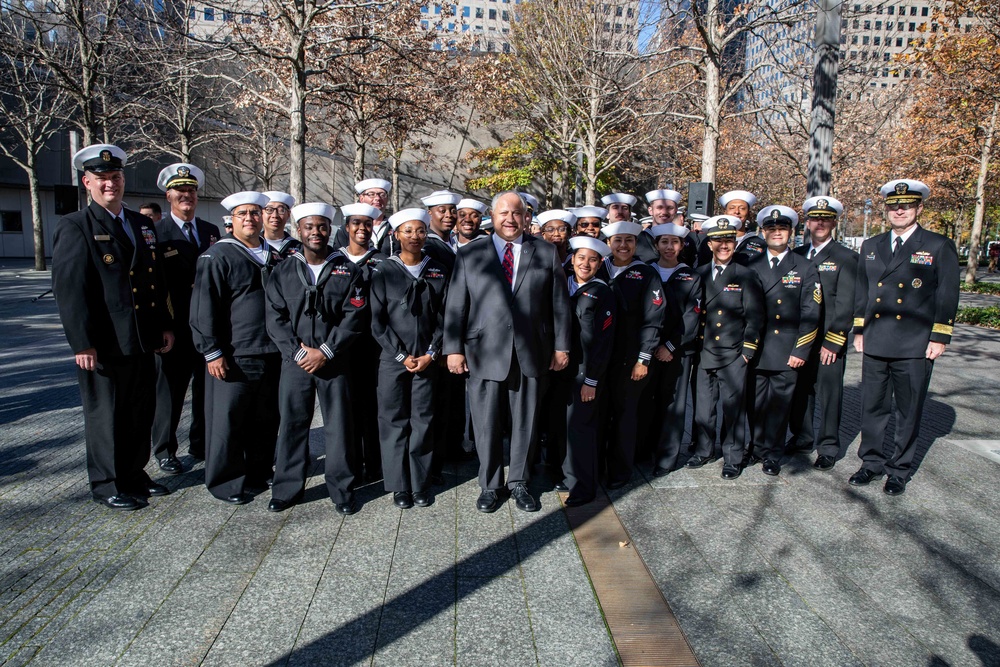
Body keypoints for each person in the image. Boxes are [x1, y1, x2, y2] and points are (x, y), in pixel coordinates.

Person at [51, 144, 174, 510]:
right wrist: (82, 343)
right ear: (87, 182)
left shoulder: (141, 224)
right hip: (104, 342)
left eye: (116, 177)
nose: (111, 184)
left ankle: (135, 474)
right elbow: (70, 291)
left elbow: (156, 281)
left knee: (139, 410)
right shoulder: (76, 226)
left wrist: (164, 326)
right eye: (102, 179)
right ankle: (106, 484)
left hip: (140, 338)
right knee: (105, 415)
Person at [444, 191, 571, 513]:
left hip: (532, 351)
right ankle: (489, 485)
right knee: (485, 424)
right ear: (493, 216)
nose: (510, 219)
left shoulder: (544, 252)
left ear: (526, 216)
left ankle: (519, 482)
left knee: (526, 422)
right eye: (503, 213)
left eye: (517, 213)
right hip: (483, 351)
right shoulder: (470, 253)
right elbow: (457, 305)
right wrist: (453, 349)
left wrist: (561, 346)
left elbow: (559, 303)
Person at [850, 179, 960, 495]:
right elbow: (863, 291)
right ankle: (870, 463)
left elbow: (947, 294)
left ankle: (898, 470)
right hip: (876, 338)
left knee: (908, 410)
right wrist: (860, 330)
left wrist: (939, 337)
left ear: (918, 208)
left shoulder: (937, 245)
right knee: (872, 406)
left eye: (906, 205)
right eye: (894, 206)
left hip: (914, 342)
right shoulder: (872, 246)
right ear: (886, 210)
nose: (899, 210)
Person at [264, 202, 367, 514]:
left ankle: (342, 490)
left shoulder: (349, 270)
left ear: (330, 230)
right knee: (293, 424)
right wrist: (298, 352)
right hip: (295, 362)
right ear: (299, 231)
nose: (316, 233)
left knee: (339, 427)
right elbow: (274, 317)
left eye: (322, 226)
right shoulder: (282, 270)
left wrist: (325, 351)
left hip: (334, 361)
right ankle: (286, 489)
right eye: (309, 227)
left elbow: (355, 316)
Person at [190, 191, 280, 505]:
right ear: (232, 220)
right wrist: (211, 351)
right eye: (242, 214)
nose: (250, 219)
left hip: (271, 352)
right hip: (235, 354)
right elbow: (203, 307)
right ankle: (225, 481)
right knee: (228, 420)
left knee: (265, 418)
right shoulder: (218, 256)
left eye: (255, 213)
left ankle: (258, 471)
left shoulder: (273, 254)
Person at [370, 208, 450, 509]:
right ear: (396, 235)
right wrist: (401, 354)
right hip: (394, 359)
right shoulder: (383, 270)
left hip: (427, 358)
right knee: (393, 420)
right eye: (408, 231)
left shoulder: (438, 270)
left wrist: (432, 352)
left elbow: (446, 316)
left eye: (419, 231)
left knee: (423, 420)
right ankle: (399, 485)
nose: (415, 237)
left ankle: (420, 482)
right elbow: (377, 321)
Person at [151, 163, 221, 472]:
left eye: (191, 191)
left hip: (205, 326)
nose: (186, 196)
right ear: (169, 196)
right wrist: (162, 326)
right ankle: (164, 449)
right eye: (180, 191)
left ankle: (200, 443)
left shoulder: (210, 231)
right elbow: (152, 286)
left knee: (206, 389)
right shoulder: (155, 233)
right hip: (175, 326)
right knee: (170, 392)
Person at [744, 206, 821, 476]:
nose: (777, 233)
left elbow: (812, 313)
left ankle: (773, 454)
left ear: (792, 232)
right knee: (754, 403)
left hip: (787, 350)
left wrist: (801, 349)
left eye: (782, 229)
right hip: (756, 348)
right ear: (763, 232)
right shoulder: (751, 265)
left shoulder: (804, 266)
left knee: (778, 406)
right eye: (771, 229)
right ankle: (755, 447)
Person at [688, 215, 764, 479]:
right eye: (718, 240)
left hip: (733, 353)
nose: (723, 245)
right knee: (703, 408)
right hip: (704, 350)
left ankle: (732, 457)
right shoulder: (698, 274)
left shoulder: (745, 275)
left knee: (733, 409)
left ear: (735, 243)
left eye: (729, 240)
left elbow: (755, 316)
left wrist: (747, 352)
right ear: (709, 244)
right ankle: (704, 449)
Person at [787, 196, 858, 470]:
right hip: (800, 339)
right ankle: (802, 438)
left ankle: (828, 446)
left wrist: (835, 339)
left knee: (829, 394)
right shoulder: (798, 254)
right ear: (806, 222)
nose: (819, 223)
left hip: (828, 340)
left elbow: (847, 302)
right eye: (815, 218)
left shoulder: (846, 257)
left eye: (825, 219)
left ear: (834, 223)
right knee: (801, 391)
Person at [596, 219, 666, 488]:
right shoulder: (598, 269)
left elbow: (654, 319)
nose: (623, 245)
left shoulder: (647, 274)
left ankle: (619, 472)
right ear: (608, 244)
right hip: (601, 360)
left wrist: (643, 358)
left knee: (625, 417)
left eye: (629, 240)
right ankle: (597, 466)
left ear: (636, 244)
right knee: (599, 415)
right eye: (617, 240)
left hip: (630, 360)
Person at [549, 236, 616, 506]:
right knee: (559, 426)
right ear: (572, 259)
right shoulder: (561, 284)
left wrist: (592, 381)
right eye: (580, 258)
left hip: (584, 374)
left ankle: (584, 487)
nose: (585, 264)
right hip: (558, 370)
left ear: (600, 264)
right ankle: (564, 475)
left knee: (581, 430)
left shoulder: (603, 293)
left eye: (592, 259)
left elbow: (604, 343)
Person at [338, 203, 388, 483]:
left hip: (374, 345)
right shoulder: (335, 261)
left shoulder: (381, 261)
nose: (361, 229)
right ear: (347, 228)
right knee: (347, 408)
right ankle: (351, 464)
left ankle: (375, 462)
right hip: (343, 345)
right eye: (356, 224)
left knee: (374, 406)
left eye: (367, 224)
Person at [647, 222, 701, 477]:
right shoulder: (646, 271)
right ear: (656, 245)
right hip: (647, 351)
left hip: (677, 352)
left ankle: (666, 458)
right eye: (664, 242)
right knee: (648, 400)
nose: (669, 247)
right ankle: (645, 450)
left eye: (674, 242)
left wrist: (669, 346)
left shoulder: (691, 275)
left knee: (673, 405)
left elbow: (692, 318)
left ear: (681, 246)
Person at [334, 178, 394, 254]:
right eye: (372, 194)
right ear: (361, 198)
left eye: (382, 195)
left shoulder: (394, 227)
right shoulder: (346, 230)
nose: (377, 198)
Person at [718, 190, 766, 265]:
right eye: (732, 208)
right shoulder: (713, 240)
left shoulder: (760, 243)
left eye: (742, 208)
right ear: (725, 213)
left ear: (748, 214)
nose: (737, 212)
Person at [640, 189, 682, 263]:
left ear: (676, 210)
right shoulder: (637, 239)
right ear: (650, 210)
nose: (664, 212)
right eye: (659, 207)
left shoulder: (684, 238)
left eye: (670, 208)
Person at [261, 191, 301, 260]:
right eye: (269, 210)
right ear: (261, 213)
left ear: (288, 214)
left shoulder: (300, 248)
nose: (275, 215)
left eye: (281, 210)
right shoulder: (253, 246)